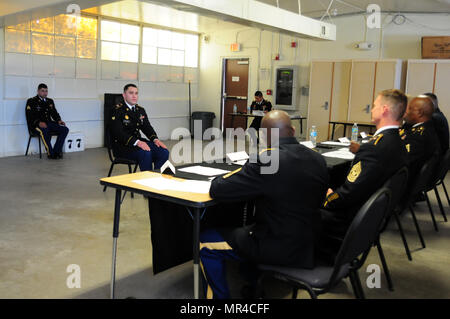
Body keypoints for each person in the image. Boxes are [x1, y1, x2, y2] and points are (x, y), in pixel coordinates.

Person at [199, 110, 329, 299]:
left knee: (205, 240)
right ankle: (252, 282)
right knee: (250, 226)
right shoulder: (317, 158)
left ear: (264, 136)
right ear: (293, 131)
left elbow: (218, 189)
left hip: (280, 247)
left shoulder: (266, 160)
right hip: (311, 241)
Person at [320, 89, 409, 252]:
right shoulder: (398, 142)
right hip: (370, 220)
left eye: (375, 105)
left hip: (348, 220)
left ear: (384, 110)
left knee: (297, 209)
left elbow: (348, 194)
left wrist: (327, 198)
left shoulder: (375, 148)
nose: (372, 108)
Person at [109, 84, 169, 171]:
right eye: (131, 93)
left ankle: (157, 178)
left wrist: (155, 139)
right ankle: (147, 181)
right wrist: (137, 142)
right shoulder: (116, 110)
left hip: (138, 143)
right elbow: (118, 133)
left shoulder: (140, 110)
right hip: (123, 147)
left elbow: (147, 127)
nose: (134, 96)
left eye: (136, 93)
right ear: (124, 95)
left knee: (163, 151)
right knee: (145, 153)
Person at [400, 95, 441, 180]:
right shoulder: (428, 128)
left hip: (406, 182)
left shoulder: (418, 137)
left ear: (420, 113)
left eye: (410, 108)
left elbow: (402, 160)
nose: (406, 112)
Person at [25, 83, 69, 159]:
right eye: (43, 91)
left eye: (46, 91)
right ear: (38, 91)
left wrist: (58, 120)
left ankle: (57, 151)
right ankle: (50, 154)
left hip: (49, 123)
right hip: (36, 125)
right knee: (44, 131)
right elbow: (29, 116)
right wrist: (38, 122)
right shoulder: (31, 101)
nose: (45, 93)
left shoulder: (50, 101)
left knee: (64, 129)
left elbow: (54, 113)